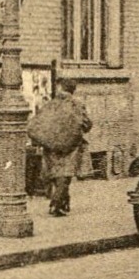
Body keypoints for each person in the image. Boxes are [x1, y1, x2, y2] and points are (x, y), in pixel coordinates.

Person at [38, 79, 92, 216]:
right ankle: (56, 204)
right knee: (65, 175)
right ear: (73, 90)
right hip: (70, 145)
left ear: (60, 88)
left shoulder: (50, 104)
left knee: (56, 173)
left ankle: (63, 202)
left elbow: (40, 123)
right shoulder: (77, 105)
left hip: (51, 144)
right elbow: (87, 125)